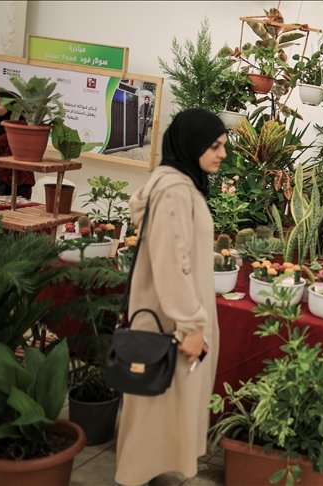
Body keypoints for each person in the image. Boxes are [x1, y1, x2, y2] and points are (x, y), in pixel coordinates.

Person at [115, 109, 226, 486]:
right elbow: (171, 263)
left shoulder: (178, 185)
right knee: (150, 414)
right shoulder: (174, 191)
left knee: (159, 413)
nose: (222, 154)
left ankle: (143, 477)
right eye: (214, 146)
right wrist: (191, 324)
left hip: (169, 323)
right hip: (170, 326)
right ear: (191, 144)